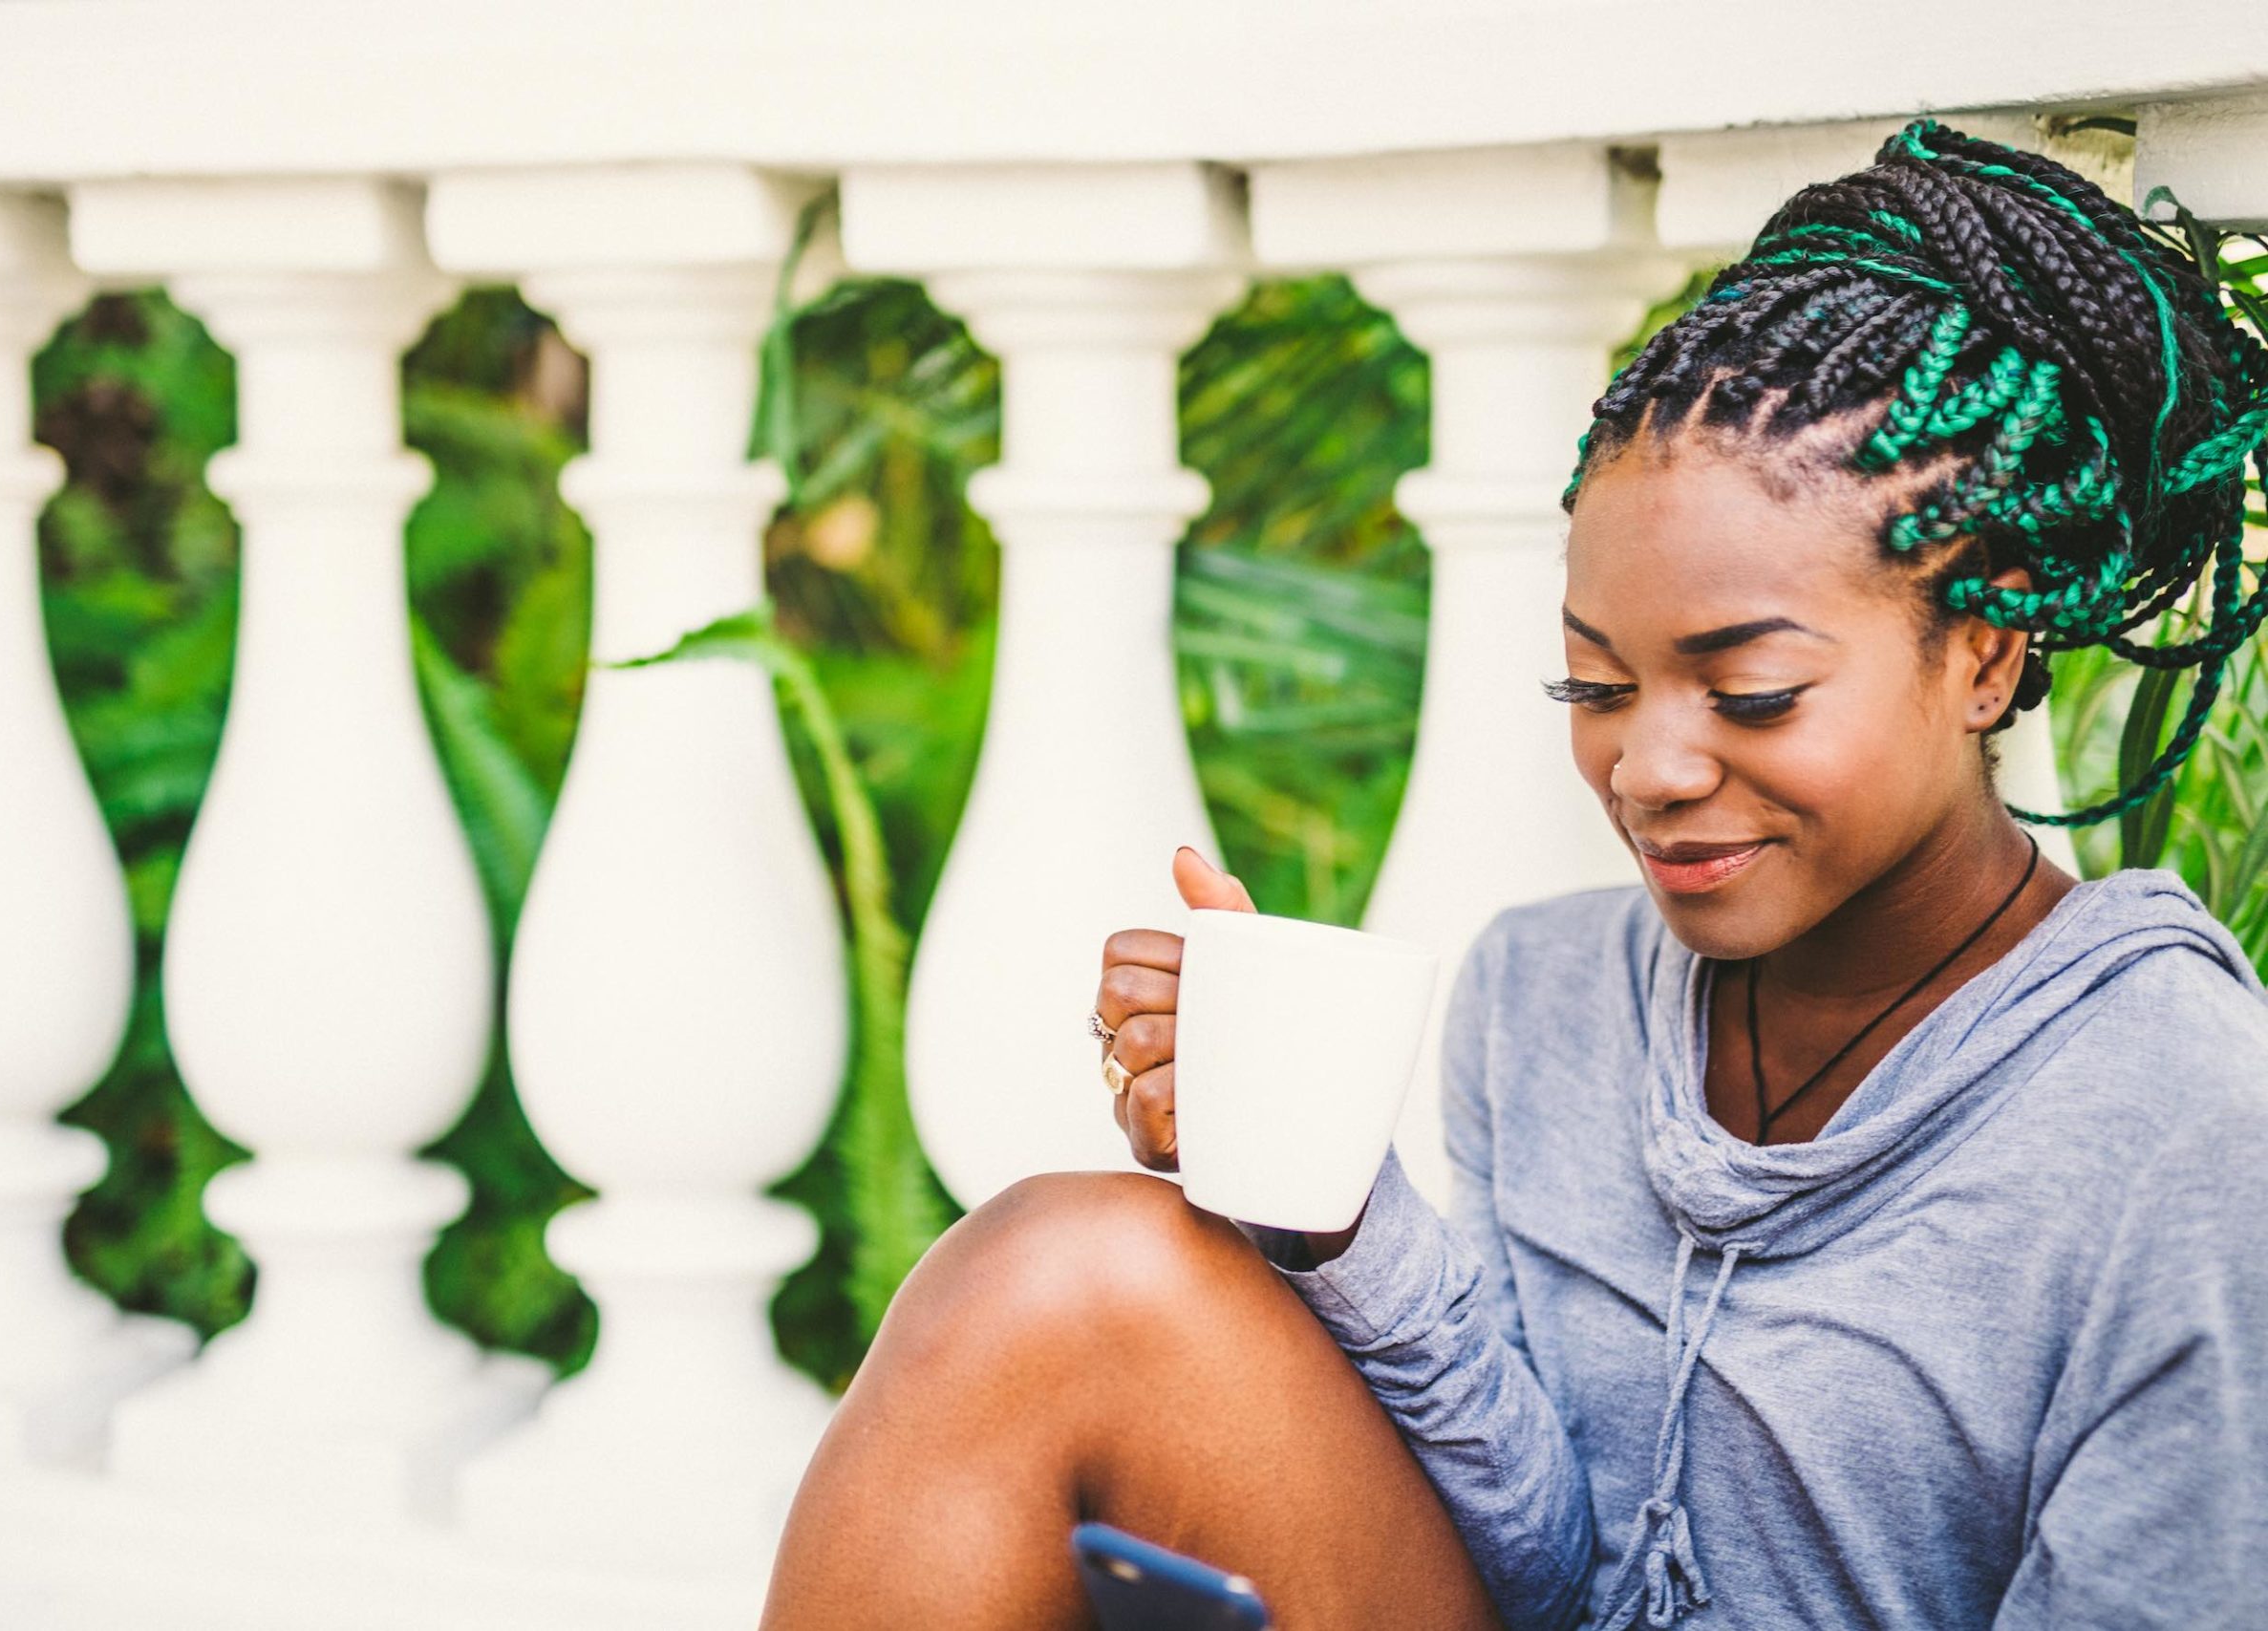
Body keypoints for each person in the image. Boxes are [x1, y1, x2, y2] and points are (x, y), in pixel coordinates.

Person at [757, 118, 2268, 1630]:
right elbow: (1550, 1565)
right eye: (1593, 688)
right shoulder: (1548, 995)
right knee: (1052, 1270)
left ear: (1984, 656)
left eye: (1748, 695)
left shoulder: (2172, 1111)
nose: (1650, 769)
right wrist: (1331, 1210)